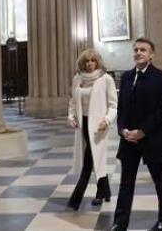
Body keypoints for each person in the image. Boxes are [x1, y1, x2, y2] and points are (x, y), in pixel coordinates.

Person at [107, 38, 162, 231]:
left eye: (143, 50)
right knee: (126, 182)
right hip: (129, 140)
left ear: (151, 54)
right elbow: (121, 108)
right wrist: (122, 130)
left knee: (160, 180)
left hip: (152, 138)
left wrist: (142, 131)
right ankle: (120, 223)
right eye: (136, 49)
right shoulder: (127, 77)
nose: (138, 53)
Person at [67, 48, 118, 210]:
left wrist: (107, 120)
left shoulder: (106, 79)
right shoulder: (78, 78)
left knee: (90, 160)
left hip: (99, 126)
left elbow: (113, 105)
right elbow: (73, 101)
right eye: (87, 61)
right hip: (83, 123)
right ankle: (106, 192)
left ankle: (76, 198)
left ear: (98, 61)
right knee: (95, 158)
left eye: (93, 60)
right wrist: (71, 116)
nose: (89, 64)